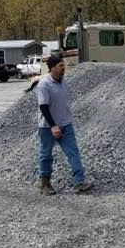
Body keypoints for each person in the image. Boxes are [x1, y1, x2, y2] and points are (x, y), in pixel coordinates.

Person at [36, 55, 92, 195]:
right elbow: (43, 107)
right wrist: (53, 126)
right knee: (46, 155)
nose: (63, 68)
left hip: (66, 123)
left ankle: (79, 182)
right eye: (60, 66)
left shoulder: (62, 81)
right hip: (47, 127)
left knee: (73, 152)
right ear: (52, 68)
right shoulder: (44, 84)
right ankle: (45, 184)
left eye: (63, 66)